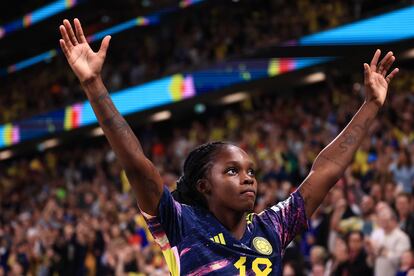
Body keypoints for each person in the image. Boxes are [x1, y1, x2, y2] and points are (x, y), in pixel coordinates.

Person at [59, 18, 399, 275]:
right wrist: (93, 85)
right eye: (232, 171)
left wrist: (370, 104)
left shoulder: (271, 228)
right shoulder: (179, 224)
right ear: (204, 185)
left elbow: (325, 171)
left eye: (251, 170)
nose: (248, 178)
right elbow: (137, 165)